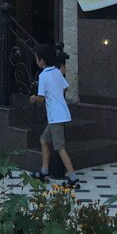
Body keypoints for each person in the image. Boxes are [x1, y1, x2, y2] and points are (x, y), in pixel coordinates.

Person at [29, 43, 80, 190]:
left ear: (41, 60)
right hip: (60, 114)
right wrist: (61, 77)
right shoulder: (57, 72)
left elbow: (41, 98)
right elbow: (65, 87)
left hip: (55, 116)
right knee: (44, 140)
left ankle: (73, 178)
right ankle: (44, 171)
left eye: (37, 58)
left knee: (60, 147)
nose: (37, 61)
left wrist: (34, 98)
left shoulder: (43, 76)